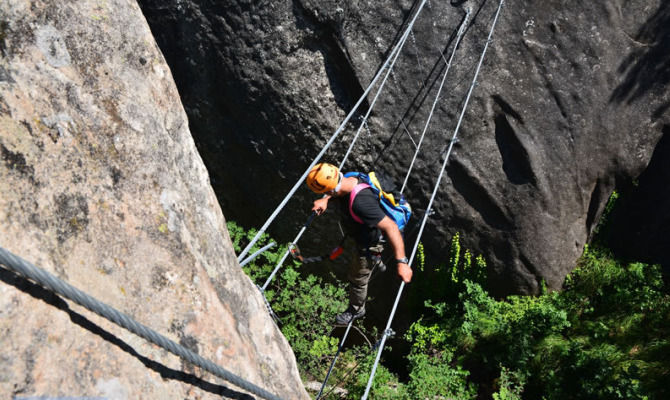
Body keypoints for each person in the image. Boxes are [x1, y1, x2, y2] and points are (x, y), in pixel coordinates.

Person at [306, 162, 413, 325]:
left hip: (370, 243)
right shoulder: (349, 176)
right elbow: (336, 189)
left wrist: (402, 262)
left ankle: (356, 309)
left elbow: (391, 227)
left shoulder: (361, 204)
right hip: (364, 230)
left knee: (357, 278)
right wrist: (326, 200)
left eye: (326, 193)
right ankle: (376, 261)